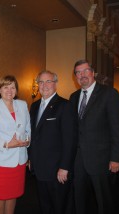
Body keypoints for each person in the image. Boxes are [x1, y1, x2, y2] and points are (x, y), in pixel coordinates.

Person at [69, 59, 119, 214]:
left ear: (93, 73)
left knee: (104, 202)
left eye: (85, 71)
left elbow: (118, 128)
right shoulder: (73, 97)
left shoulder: (109, 94)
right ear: (75, 77)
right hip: (78, 161)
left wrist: (116, 158)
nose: (82, 75)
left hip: (101, 160)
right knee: (79, 200)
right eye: (78, 73)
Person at [28, 70, 77, 214]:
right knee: (44, 206)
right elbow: (34, 135)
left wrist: (64, 167)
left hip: (57, 170)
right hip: (39, 168)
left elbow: (70, 140)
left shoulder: (65, 106)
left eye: (48, 81)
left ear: (55, 83)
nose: (44, 85)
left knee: (59, 207)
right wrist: (31, 158)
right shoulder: (35, 106)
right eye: (41, 82)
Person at [0, 75, 31, 214]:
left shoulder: (22, 105)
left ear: (16, 90)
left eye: (13, 87)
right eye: (6, 87)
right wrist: (7, 144)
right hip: (1, 162)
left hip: (19, 161)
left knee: (13, 194)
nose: (9, 90)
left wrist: (27, 141)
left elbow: (28, 128)